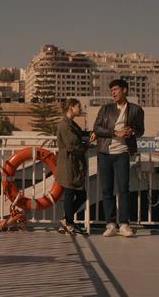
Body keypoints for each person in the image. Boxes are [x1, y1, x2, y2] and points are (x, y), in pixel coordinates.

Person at [94, 79, 145, 237]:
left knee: (124, 189)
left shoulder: (136, 110)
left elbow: (141, 130)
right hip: (104, 152)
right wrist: (116, 133)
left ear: (125, 90)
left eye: (116, 89)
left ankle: (124, 224)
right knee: (107, 189)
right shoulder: (106, 109)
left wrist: (132, 132)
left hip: (123, 152)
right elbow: (97, 128)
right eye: (111, 91)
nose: (113, 93)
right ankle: (110, 224)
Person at [55, 98, 92, 235]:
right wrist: (88, 144)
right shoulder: (65, 125)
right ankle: (69, 223)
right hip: (68, 164)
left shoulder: (71, 124)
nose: (80, 109)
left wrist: (90, 134)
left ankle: (66, 221)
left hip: (73, 164)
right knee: (72, 194)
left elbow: (80, 135)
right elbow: (73, 146)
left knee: (78, 195)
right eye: (78, 107)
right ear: (71, 107)